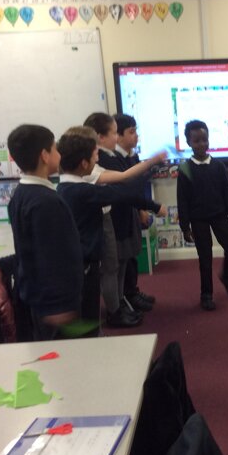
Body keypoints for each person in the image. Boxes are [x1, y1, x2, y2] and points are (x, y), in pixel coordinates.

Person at [56, 128, 166, 329]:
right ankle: (99, 330)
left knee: (90, 301)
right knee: (88, 308)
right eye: (94, 156)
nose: (98, 159)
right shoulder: (82, 191)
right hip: (86, 260)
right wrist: (152, 168)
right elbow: (123, 192)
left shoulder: (65, 187)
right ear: (84, 163)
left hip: (84, 257)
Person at [7, 124, 83, 341]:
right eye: (55, 149)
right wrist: (57, 305)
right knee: (60, 352)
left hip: (39, 297)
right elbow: (50, 257)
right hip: (54, 304)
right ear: (44, 155)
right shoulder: (45, 201)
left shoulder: (21, 194)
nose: (59, 154)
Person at [84, 112, 149, 327]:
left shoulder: (109, 157)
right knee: (112, 267)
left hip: (118, 217)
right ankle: (115, 310)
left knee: (121, 264)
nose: (116, 138)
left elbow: (127, 182)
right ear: (100, 137)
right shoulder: (103, 160)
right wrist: (153, 162)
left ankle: (120, 303)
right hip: (110, 218)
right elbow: (124, 181)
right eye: (113, 133)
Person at [177, 120, 228, 310]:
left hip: (219, 215)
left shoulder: (218, 166)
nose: (202, 144)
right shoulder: (185, 168)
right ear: (189, 143)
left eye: (205, 140)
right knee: (205, 257)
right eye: (196, 141)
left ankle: (227, 277)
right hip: (198, 219)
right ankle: (206, 294)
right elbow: (182, 199)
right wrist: (185, 227)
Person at [114, 113, 157, 313]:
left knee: (133, 252)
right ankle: (125, 297)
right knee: (124, 257)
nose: (136, 136)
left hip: (132, 209)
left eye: (136, 131)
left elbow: (137, 187)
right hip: (119, 214)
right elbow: (125, 188)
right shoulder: (113, 159)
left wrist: (141, 209)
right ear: (118, 135)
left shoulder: (133, 156)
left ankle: (132, 291)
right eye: (131, 132)